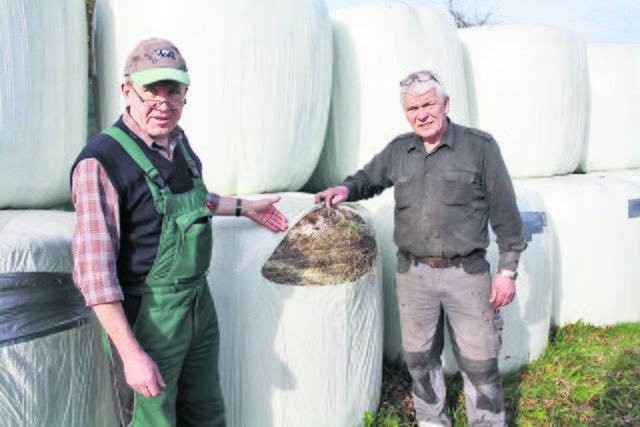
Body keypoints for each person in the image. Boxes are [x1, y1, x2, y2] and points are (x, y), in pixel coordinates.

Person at [71, 38, 288, 427]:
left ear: (185, 93)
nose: (163, 102)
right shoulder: (100, 163)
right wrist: (131, 355)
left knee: (205, 410)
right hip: (147, 317)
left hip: (197, 305)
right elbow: (95, 277)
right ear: (127, 91)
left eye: (173, 91)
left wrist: (243, 207)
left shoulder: (178, 142)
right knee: (153, 421)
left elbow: (192, 202)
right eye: (151, 90)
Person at [315, 70, 526, 427]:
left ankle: (488, 421)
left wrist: (507, 271)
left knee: (479, 358)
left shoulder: (479, 147)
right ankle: (431, 420)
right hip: (414, 274)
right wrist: (346, 190)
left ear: (446, 104)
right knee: (420, 356)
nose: (421, 114)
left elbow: (506, 214)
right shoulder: (401, 150)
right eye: (412, 109)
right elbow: (369, 178)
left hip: (467, 274)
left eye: (428, 104)